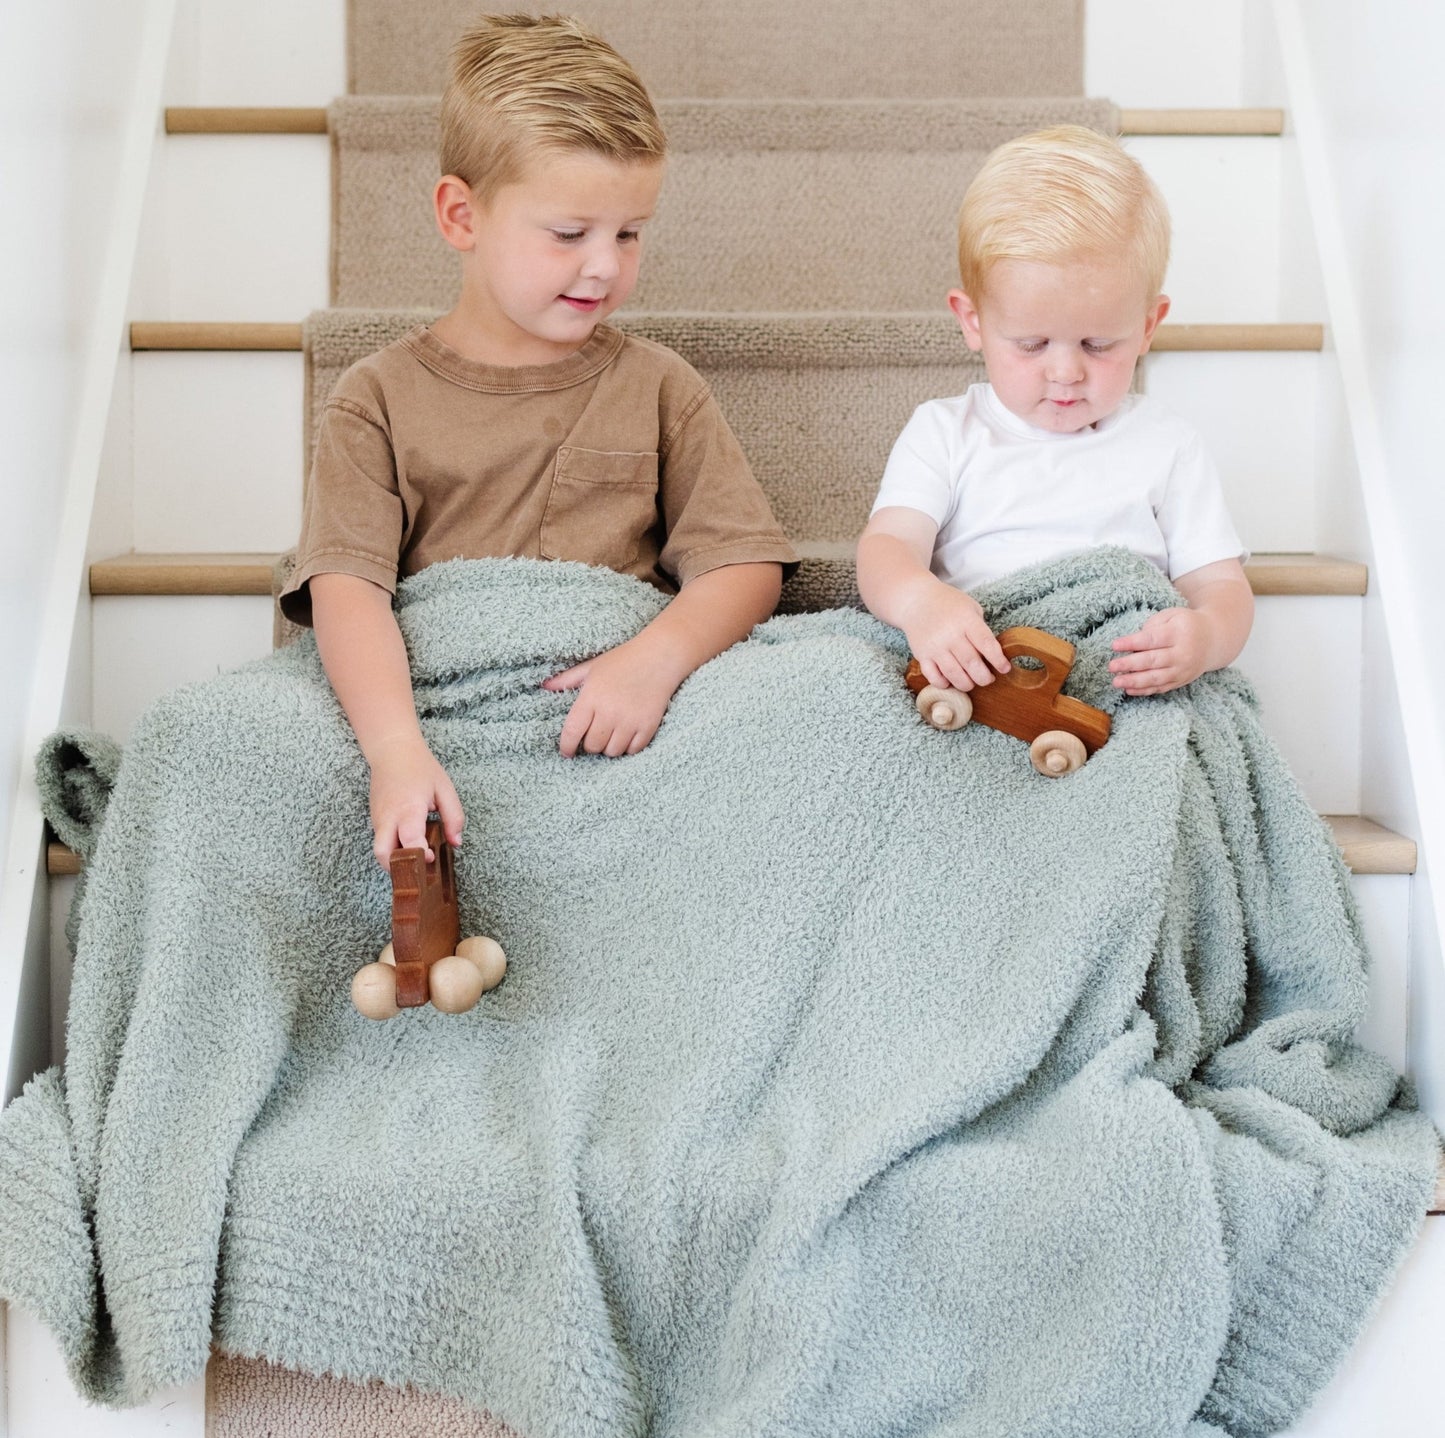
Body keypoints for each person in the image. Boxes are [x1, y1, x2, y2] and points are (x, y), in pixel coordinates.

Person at [279, 14, 798, 866]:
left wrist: (652, 661)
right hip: (433, 705)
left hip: (609, 711)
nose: (605, 265)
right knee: (213, 735)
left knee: (827, 687)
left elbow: (744, 564)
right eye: (570, 234)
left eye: (629, 234)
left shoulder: (658, 384)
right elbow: (347, 594)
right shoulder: (373, 396)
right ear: (460, 215)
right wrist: (395, 751)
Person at [855, 124, 1253, 701]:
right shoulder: (946, 432)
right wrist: (923, 602)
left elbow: (1221, 584)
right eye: (1032, 344)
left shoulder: (1167, 445)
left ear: (1147, 326)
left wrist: (1206, 637)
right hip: (983, 678)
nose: (1065, 372)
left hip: (1112, 685)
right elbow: (887, 546)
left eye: (1097, 345)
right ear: (973, 322)